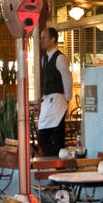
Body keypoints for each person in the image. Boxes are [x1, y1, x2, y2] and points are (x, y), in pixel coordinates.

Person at [36, 26, 71, 157]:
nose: (42, 41)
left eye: (44, 38)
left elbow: (67, 78)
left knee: (58, 133)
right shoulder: (44, 59)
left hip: (58, 100)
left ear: (53, 39)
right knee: (41, 136)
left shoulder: (60, 58)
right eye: (41, 38)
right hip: (47, 100)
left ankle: (59, 161)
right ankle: (57, 156)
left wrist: (67, 99)